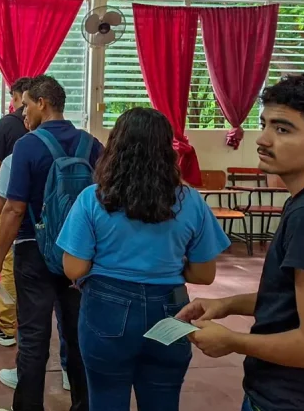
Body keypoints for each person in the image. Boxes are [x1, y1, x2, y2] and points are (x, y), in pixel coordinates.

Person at [57, 107, 230, 411]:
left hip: (106, 309)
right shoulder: (190, 202)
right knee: (162, 399)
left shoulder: (93, 198)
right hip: (172, 310)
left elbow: (74, 268)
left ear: (115, 147)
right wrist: (168, 265)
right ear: (167, 150)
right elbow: (205, 274)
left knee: (106, 397)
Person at [177, 72, 304, 411]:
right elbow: (293, 301)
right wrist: (228, 305)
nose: (263, 139)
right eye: (265, 125)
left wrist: (234, 341)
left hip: (292, 398)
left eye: (283, 129)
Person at [0, 75, 103, 411]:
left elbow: (14, 208)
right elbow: (105, 200)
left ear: (43, 104)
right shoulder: (91, 145)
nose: (23, 113)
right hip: (77, 254)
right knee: (77, 335)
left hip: (33, 252)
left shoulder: (28, 145)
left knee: (34, 338)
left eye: (26, 105)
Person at [0, 77, 30, 347]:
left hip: (11, 203)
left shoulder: (6, 125)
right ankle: (29, 320)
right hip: (43, 209)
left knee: (8, 264)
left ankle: (7, 326)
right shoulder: (48, 129)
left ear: (20, 96)